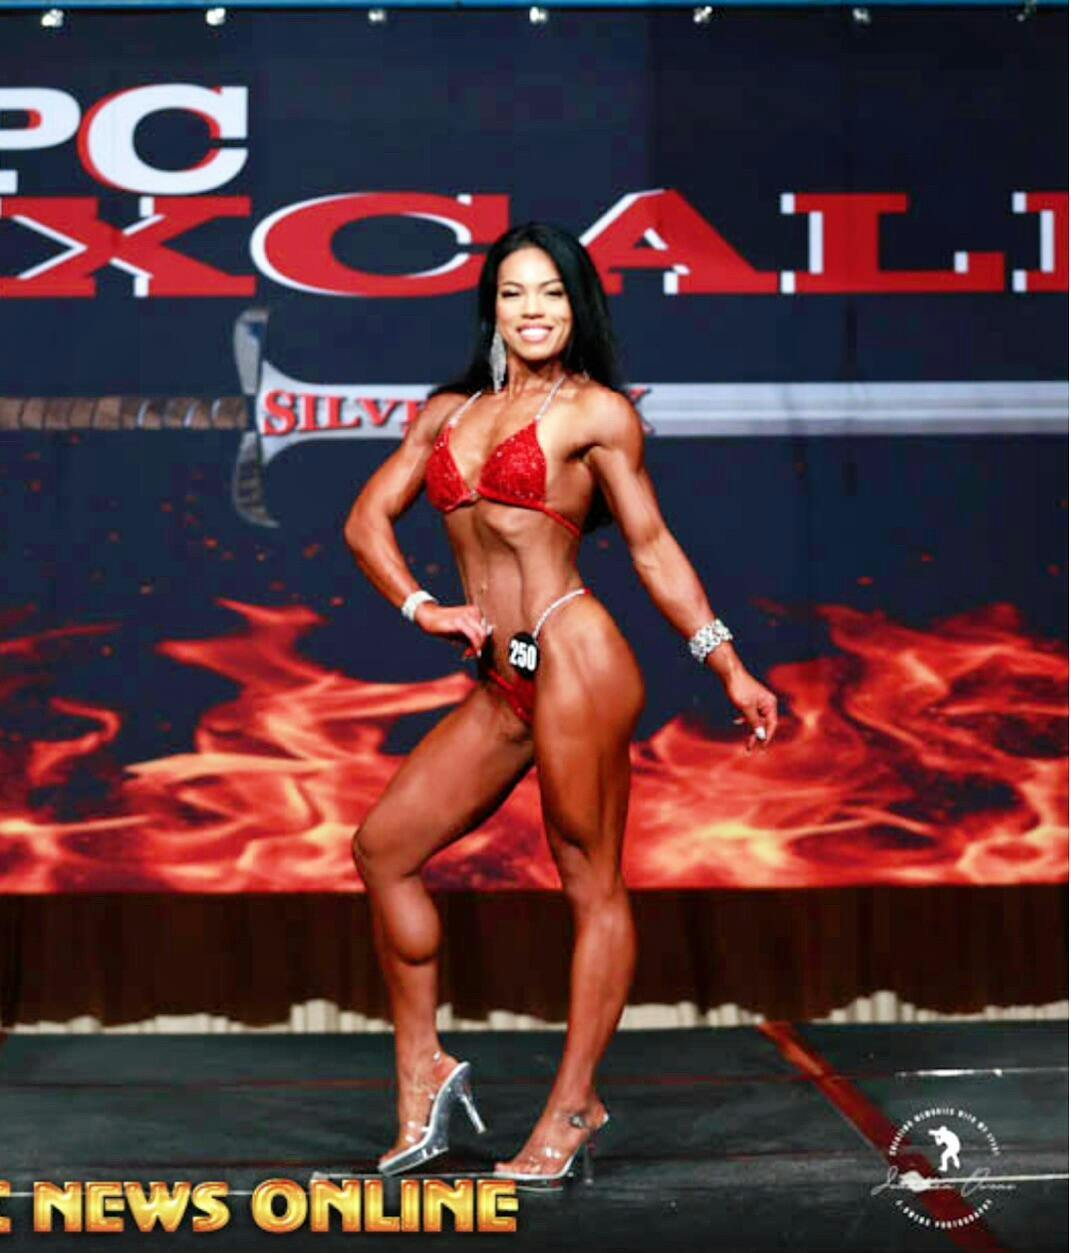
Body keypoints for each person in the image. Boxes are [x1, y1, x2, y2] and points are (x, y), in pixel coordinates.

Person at [343, 222, 778, 1187]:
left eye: (550, 292)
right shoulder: (448, 413)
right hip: (504, 680)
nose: (532, 310)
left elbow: (652, 546)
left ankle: (575, 1102)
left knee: (589, 882)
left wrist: (726, 663)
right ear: (491, 308)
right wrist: (421, 606)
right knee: (384, 848)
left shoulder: (596, 413)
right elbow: (366, 521)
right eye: (513, 293)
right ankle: (422, 1067)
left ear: (577, 306)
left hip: (577, 657)